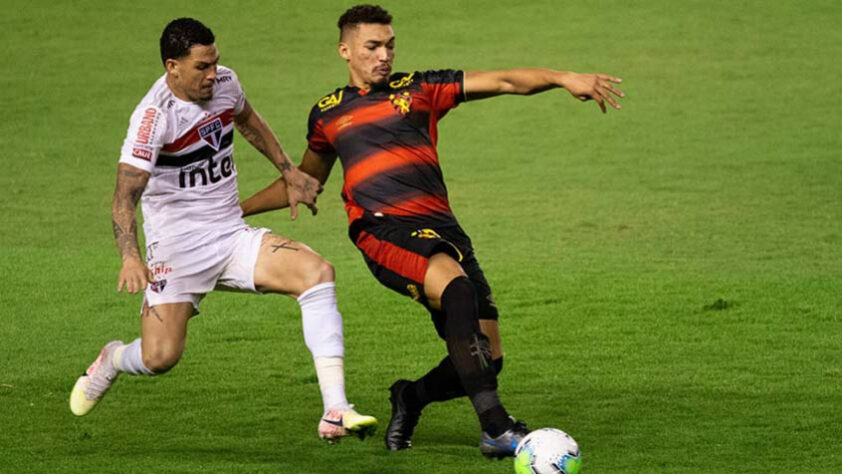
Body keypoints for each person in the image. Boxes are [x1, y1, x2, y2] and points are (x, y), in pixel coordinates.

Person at [240, 4, 624, 457]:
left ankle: (410, 397)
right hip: (382, 230)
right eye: (373, 46)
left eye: (390, 45)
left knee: (488, 359)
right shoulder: (328, 113)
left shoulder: (420, 88)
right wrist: (234, 209)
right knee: (457, 290)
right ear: (346, 50)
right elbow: (305, 182)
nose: (385, 55)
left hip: (443, 230)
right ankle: (496, 429)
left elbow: (502, 81)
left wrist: (563, 78)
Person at [68, 17, 377, 443]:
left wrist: (288, 171)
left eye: (215, 62)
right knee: (160, 357)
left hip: (230, 233)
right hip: (176, 249)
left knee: (317, 273)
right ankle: (113, 358)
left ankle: (335, 408)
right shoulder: (153, 118)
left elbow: (249, 120)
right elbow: (125, 196)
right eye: (201, 67)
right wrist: (130, 256)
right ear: (171, 66)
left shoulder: (225, 83)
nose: (212, 74)